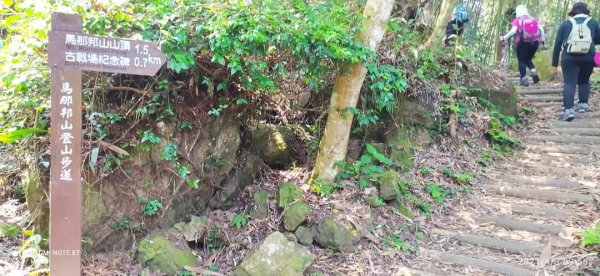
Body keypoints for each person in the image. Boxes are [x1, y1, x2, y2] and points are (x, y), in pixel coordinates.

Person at [552, 2, 600, 121]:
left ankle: (568, 110)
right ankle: (583, 105)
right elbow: (598, 40)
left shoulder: (566, 24)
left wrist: (554, 64)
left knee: (569, 83)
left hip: (569, 58)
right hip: (588, 56)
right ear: (586, 11)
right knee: (584, 81)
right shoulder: (593, 22)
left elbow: (557, 44)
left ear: (573, 11)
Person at [500, 5, 546, 86]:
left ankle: (524, 79)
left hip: (523, 42)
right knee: (528, 59)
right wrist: (542, 41)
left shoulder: (517, 20)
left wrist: (504, 37)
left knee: (521, 60)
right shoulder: (533, 19)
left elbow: (513, 31)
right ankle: (533, 72)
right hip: (535, 42)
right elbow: (541, 29)